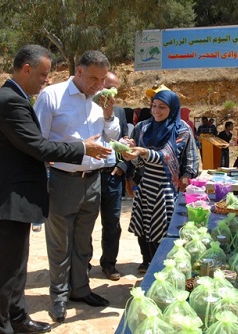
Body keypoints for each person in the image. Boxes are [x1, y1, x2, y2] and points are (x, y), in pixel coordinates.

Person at [0, 44, 112, 334]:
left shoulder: (16, 98)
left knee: (16, 268)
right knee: (3, 272)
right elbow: (38, 146)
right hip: (6, 201)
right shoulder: (10, 101)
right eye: (43, 73)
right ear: (26, 69)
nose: (46, 79)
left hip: (16, 202)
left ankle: (18, 319)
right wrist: (81, 147)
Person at [34, 50, 120, 322]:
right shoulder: (52, 96)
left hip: (93, 181)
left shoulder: (101, 99)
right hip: (62, 180)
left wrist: (108, 116)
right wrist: (81, 149)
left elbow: (112, 136)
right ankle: (58, 297)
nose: (98, 85)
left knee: (83, 242)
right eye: (93, 78)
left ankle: (80, 289)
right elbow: (37, 142)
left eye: (102, 79)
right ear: (79, 72)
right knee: (60, 244)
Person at [122, 90, 199, 273]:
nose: (156, 111)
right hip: (145, 184)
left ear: (172, 109)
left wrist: (143, 151)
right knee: (144, 225)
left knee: (162, 228)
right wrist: (130, 152)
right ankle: (147, 260)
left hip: (166, 187)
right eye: (154, 106)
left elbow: (168, 155)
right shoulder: (143, 127)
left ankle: (162, 266)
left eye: (162, 107)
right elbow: (139, 161)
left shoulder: (181, 129)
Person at [96, 71, 129, 281]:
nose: (111, 90)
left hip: (112, 175)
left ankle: (109, 264)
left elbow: (126, 140)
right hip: (88, 175)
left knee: (112, 223)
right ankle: (82, 265)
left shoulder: (119, 112)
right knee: (84, 224)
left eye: (115, 87)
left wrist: (122, 166)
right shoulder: (85, 109)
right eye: (108, 85)